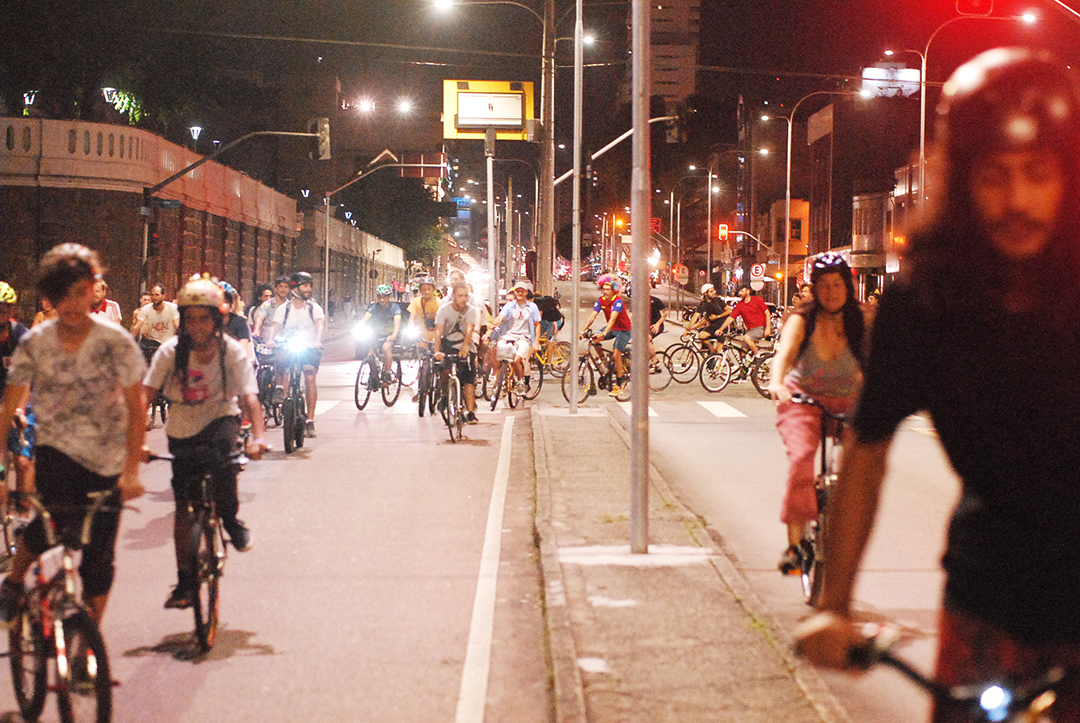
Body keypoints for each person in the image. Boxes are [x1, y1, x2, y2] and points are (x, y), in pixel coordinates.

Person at [794, 49, 1080, 722]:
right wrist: (833, 606)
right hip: (986, 600)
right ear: (962, 182)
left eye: (1037, 175)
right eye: (994, 177)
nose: (1016, 201)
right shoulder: (924, 302)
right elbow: (867, 450)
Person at [0, 244, 146, 627]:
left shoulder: (115, 341)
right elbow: (10, 403)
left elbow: (136, 406)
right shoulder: (35, 342)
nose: (71, 304)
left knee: (99, 561)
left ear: (92, 288)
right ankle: (14, 583)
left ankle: (87, 645)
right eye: (60, 295)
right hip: (56, 453)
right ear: (50, 296)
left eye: (79, 292)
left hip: (107, 461)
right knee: (48, 529)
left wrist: (131, 470)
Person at [143, 276, 266, 608]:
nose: (197, 326)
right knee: (183, 504)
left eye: (204, 318)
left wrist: (258, 438)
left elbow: (251, 400)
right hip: (181, 424)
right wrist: (137, 438)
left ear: (218, 319)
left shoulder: (232, 352)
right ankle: (184, 581)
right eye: (190, 318)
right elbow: (146, 393)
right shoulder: (171, 351)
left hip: (220, 417)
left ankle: (231, 521)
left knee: (225, 468)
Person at [767, 253, 865, 573]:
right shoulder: (803, 319)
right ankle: (795, 547)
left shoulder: (861, 318)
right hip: (803, 399)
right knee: (801, 459)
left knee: (859, 468)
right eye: (823, 286)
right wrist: (776, 383)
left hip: (849, 401)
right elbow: (783, 355)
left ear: (848, 287)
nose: (831, 292)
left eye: (837, 285)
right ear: (814, 288)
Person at [266, 271, 325, 438]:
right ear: (295, 288)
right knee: (280, 358)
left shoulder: (314, 308)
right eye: (305, 285)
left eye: (310, 286)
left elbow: (320, 325)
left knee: (309, 377)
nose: (309, 289)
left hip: (309, 347)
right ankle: (279, 387)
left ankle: (310, 420)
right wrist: (271, 340)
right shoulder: (284, 309)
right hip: (289, 345)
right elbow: (275, 326)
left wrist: (318, 340)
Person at [0, 282, 35, 510]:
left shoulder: (21, 336)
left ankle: (23, 515)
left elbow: (26, 381)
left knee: (21, 462)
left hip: (22, 399)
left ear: (11, 311)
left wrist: (19, 410)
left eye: (3, 309)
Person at [433, 282, 479, 424]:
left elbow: (469, 329)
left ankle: (471, 412)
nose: (464, 299)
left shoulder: (471, 310)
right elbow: (439, 330)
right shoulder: (444, 310)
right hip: (448, 344)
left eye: (466, 296)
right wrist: (437, 351)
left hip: (464, 344)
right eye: (460, 296)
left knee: (468, 379)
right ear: (453, 296)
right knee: (444, 370)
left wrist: (465, 347)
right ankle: (445, 395)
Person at [484, 281, 541, 393]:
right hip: (509, 335)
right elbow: (500, 318)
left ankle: (520, 382)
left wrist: (536, 343)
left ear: (526, 293)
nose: (520, 293)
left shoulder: (532, 307)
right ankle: (497, 378)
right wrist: (489, 330)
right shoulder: (509, 306)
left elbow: (537, 325)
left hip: (524, 337)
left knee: (516, 361)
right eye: (517, 290)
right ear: (515, 292)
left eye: (522, 291)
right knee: (495, 351)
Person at [581, 274, 631, 397]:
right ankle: (604, 362)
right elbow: (593, 315)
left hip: (624, 330)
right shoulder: (601, 300)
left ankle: (618, 385)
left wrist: (604, 333)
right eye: (603, 288)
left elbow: (613, 318)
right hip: (613, 328)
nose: (604, 291)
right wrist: (583, 331)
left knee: (616, 354)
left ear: (614, 289)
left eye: (607, 289)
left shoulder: (617, 301)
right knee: (593, 338)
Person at [358, 284, 402, 379]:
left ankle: (387, 372)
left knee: (386, 348)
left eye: (384, 297)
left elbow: (397, 323)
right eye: (380, 297)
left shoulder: (394, 308)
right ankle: (373, 371)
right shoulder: (373, 307)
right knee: (370, 348)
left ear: (388, 297)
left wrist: (393, 335)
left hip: (389, 335)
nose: (382, 300)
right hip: (376, 334)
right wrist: (358, 328)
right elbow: (364, 319)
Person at [718, 285, 772, 355]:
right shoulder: (740, 305)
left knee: (746, 338)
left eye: (742, 291)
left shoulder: (758, 300)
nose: (740, 293)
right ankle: (748, 364)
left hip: (760, 328)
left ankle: (757, 356)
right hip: (749, 330)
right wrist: (721, 329)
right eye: (739, 291)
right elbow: (731, 317)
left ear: (748, 291)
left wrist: (768, 328)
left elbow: (767, 313)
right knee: (743, 352)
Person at [132, 283, 180, 348]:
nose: (154, 297)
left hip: (168, 343)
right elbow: (137, 327)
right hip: (152, 343)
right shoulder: (146, 309)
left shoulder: (172, 308)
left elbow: (177, 325)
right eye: (152, 295)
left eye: (157, 295)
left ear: (163, 296)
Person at [687, 284, 730, 354]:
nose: (714, 292)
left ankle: (719, 360)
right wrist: (689, 328)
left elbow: (729, 311)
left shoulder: (718, 301)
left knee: (719, 351)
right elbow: (696, 316)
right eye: (711, 291)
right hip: (712, 326)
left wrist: (718, 316)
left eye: (714, 290)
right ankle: (712, 350)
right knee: (701, 336)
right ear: (705, 293)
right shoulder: (704, 304)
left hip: (722, 326)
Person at [408, 276, 440, 351]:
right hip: (421, 339)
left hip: (437, 339)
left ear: (433, 289)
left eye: (429, 289)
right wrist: (411, 332)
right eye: (424, 289)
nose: (426, 292)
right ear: (420, 291)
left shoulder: (439, 302)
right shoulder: (416, 302)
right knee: (424, 359)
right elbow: (412, 319)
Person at [253, 276, 290, 340]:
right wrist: (256, 330)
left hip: (286, 342)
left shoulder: (291, 306)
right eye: (280, 286)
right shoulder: (267, 304)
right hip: (268, 341)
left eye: (286, 287)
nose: (283, 290)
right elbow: (260, 318)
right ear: (275, 288)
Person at [648, 293, 668, 367]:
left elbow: (666, 312)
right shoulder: (637, 301)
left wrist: (658, 324)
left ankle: (655, 361)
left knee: (647, 339)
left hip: (655, 325)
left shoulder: (655, 301)